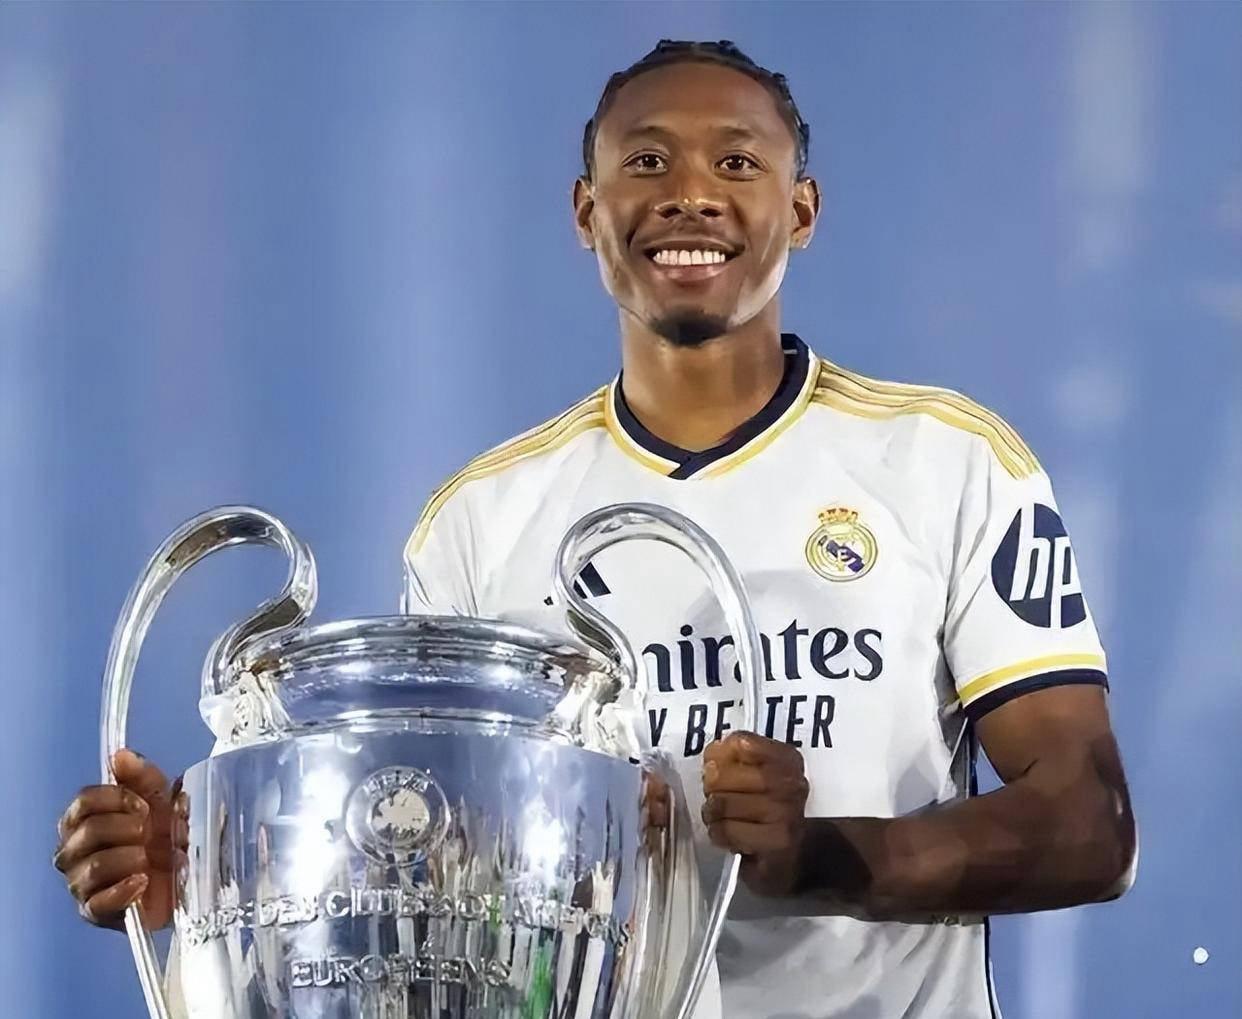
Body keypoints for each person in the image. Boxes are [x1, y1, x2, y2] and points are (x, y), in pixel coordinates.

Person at [55, 39, 1135, 1019]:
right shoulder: (480, 519)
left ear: (802, 210)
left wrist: (821, 855)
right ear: (587, 211)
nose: (691, 195)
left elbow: (1090, 824)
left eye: (738, 163)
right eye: (648, 162)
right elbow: (435, 869)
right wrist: (215, 874)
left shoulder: (947, 462)